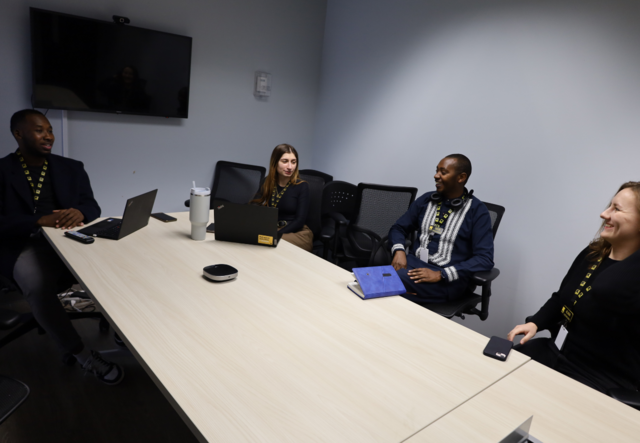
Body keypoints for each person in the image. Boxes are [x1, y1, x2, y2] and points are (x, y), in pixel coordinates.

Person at [0, 109, 124, 385]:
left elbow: (92, 206)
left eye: (50, 130)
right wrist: (38, 220)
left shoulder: (72, 167)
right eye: (39, 130)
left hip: (70, 241)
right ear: (18, 134)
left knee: (117, 266)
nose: (49, 136)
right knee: (38, 284)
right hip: (23, 245)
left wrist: (80, 212)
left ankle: (122, 333)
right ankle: (83, 355)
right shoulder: (2, 170)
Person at [507, 182, 640, 395]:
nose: (604, 214)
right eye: (609, 206)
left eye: (616, 209)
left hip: (598, 379)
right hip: (555, 352)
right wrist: (536, 322)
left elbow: (606, 288)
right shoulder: (593, 253)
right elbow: (562, 297)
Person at [388, 154, 494, 304]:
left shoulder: (477, 211)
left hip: (447, 281)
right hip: (412, 266)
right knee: (373, 276)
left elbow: (485, 259)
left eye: (443, 172)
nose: (436, 175)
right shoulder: (426, 200)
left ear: (461, 177)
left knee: (385, 284)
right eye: (437, 171)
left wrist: (441, 274)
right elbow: (398, 227)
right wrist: (399, 250)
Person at [252, 144, 312, 251]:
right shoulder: (267, 182)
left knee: (266, 241)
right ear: (275, 163)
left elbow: (299, 221)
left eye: (293, 162)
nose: (290, 167)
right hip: (272, 228)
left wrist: (276, 234)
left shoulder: (302, 186)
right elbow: (254, 204)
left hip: (296, 232)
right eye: (285, 161)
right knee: (252, 238)